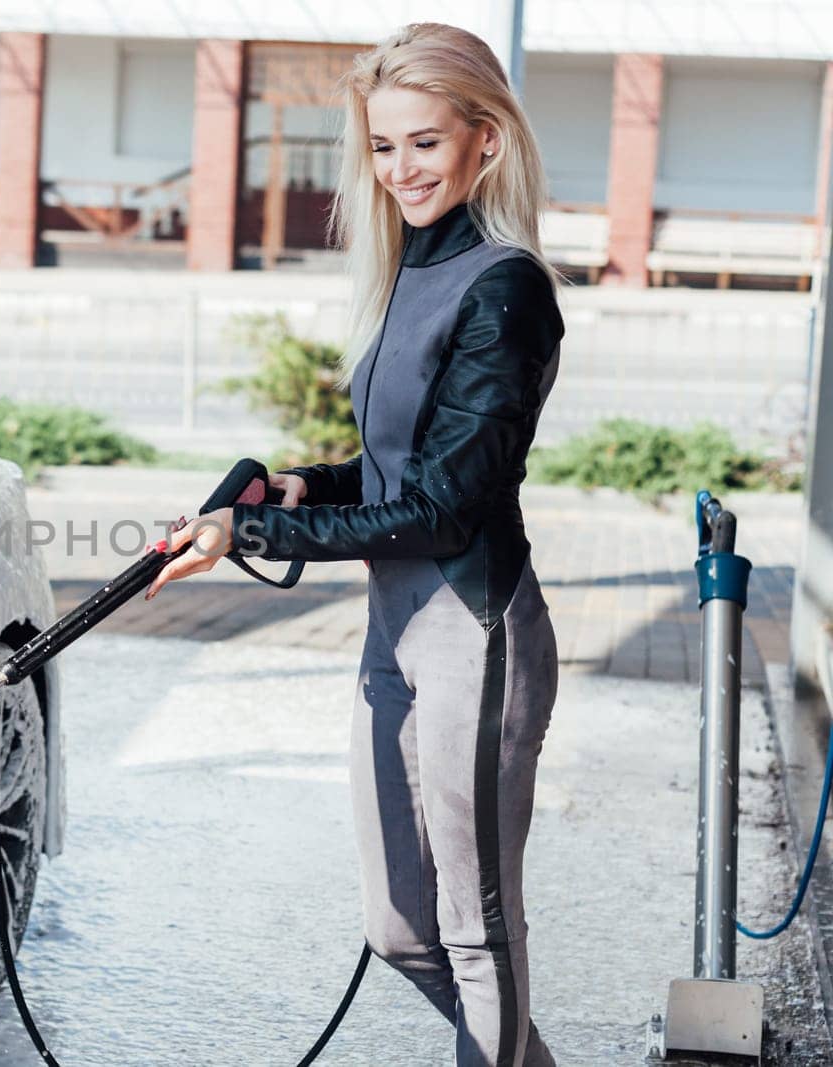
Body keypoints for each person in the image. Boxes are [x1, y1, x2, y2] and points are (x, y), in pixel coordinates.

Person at [144, 22, 564, 1067]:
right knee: (399, 927)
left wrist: (254, 528)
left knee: (477, 931)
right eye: (383, 146)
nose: (401, 169)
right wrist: (297, 485)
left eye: (425, 142)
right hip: (395, 634)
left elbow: (444, 507)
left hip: (475, 633)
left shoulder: (505, 288)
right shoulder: (411, 274)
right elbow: (393, 469)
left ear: (486, 144)